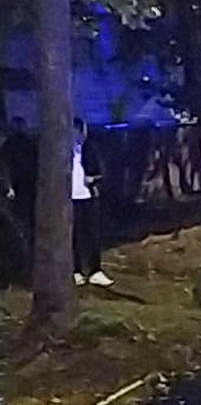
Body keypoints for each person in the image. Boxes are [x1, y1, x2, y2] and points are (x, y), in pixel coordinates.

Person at [72, 117, 113, 287]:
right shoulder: (62, 153)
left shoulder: (89, 149)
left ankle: (95, 270)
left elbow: (101, 172)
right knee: (73, 236)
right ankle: (76, 271)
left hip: (88, 197)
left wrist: (93, 179)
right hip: (70, 200)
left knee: (92, 235)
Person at [1, 116, 37, 235]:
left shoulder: (8, 146)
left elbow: (5, 165)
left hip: (17, 183)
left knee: (18, 216)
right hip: (29, 183)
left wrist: (8, 186)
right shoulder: (31, 144)